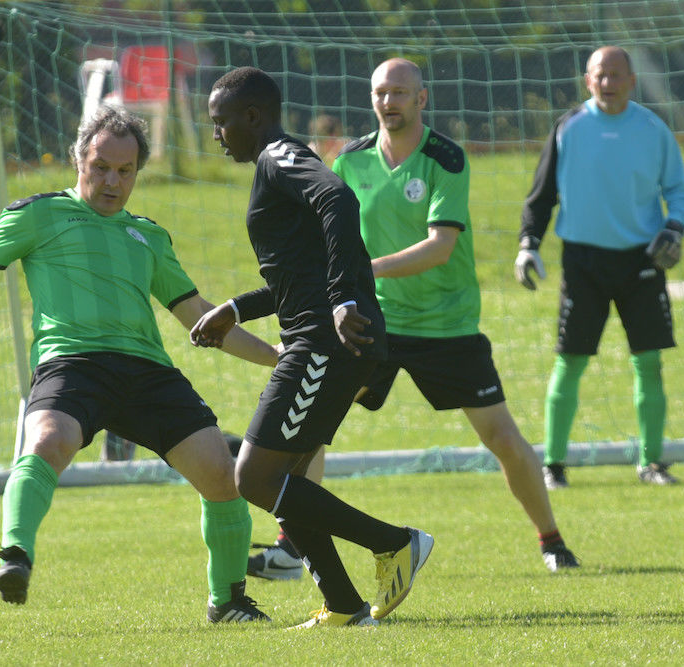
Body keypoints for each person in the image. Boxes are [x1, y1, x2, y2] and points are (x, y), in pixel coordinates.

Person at [0, 104, 279, 623]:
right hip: (71, 363)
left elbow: (199, 316)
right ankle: (15, 556)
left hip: (147, 372)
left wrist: (276, 358)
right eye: (100, 166)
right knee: (48, 440)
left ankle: (228, 601)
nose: (111, 181)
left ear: (137, 174)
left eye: (125, 171)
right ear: (78, 159)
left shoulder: (149, 235)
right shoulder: (39, 214)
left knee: (221, 475)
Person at [246, 57, 579, 580]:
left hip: (446, 324)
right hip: (370, 320)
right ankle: (293, 546)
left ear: (421, 99)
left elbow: (440, 247)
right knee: (309, 429)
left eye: (400, 92)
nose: (389, 101)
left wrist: (361, 269)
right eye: (381, 92)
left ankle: (552, 539)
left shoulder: (445, 158)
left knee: (501, 437)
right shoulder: (350, 159)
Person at [192, 66, 433, 628]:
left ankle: (395, 543)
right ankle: (347, 607)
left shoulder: (278, 156)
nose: (216, 134)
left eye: (221, 122)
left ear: (253, 117)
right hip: (325, 337)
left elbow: (339, 200)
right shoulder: (272, 165)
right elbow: (300, 273)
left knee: (252, 477)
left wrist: (346, 298)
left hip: (325, 342)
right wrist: (237, 308)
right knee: (284, 483)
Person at [515, 46, 684, 488]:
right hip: (583, 262)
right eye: (601, 75)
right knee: (570, 360)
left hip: (641, 259)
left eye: (617, 75)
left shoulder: (653, 130)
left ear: (632, 81)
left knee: (648, 362)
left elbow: (681, 193)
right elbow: (541, 196)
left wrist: (674, 228)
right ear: (587, 80)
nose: (608, 83)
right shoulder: (569, 128)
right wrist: (528, 244)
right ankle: (553, 465)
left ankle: (651, 462)